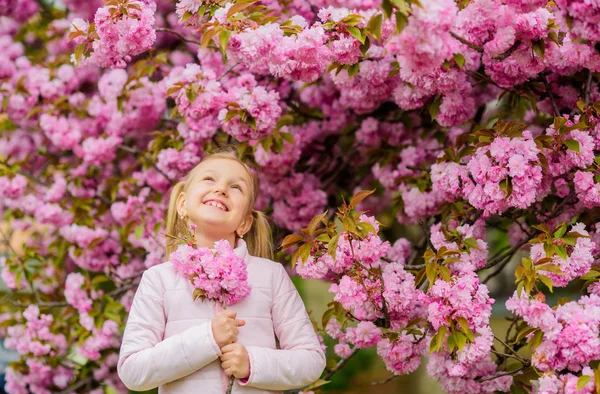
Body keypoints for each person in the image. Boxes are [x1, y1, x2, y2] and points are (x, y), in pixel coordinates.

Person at [117, 149, 326, 393]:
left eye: (236, 187)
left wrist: (252, 364)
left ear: (244, 223)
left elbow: (311, 360)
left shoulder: (271, 276)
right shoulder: (159, 280)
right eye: (209, 179)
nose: (221, 189)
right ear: (183, 204)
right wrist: (208, 339)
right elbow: (132, 370)